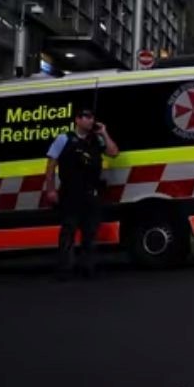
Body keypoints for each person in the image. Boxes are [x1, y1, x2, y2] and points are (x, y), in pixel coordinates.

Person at [43, 107, 119, 279]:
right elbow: (51, 166)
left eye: (92, 117)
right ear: (77, 120)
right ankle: (65, 269)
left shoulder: (96, 139)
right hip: (70, 192)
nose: (90, 120)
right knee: (68, 231)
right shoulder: (64, 139)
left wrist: (104, 133)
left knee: (90, 232)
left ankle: (87, 268)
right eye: (86, 117)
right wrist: (51, 189)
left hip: (91, 192)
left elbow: (113, 152)